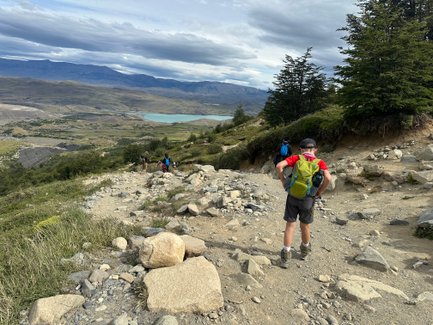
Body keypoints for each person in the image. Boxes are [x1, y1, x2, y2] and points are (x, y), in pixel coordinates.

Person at [276, 138, 332, 269]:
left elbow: (279, 166)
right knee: (305, 225)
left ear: (301, 149)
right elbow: (328, 178)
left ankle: (285, 255)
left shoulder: (296, 158)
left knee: (290, 225)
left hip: (293, 195)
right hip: (308, 198)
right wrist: (319, 192)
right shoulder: (320, 162)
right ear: (315, 149)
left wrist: (283, 181)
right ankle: (304, 250)